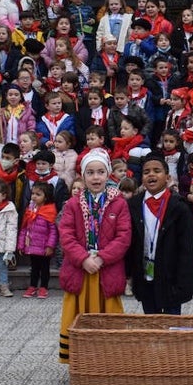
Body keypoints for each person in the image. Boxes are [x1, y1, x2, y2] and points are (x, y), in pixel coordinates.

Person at [57, 149, 132, 364]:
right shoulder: (72, 204)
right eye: (90, 172)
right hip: (80, 269)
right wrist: (83, 258)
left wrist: (101, 258)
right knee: (78, 313)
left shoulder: (119, 203)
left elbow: (123, 237)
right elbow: (67, 235)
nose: (96, 177)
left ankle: (110, 360)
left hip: (106, 269)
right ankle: (80, 360)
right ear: (83, 175)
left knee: (108, 315)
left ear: (108, 174)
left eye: (100, 172)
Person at [127, 153, 193, 315]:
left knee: (171, 325)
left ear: (167, 177)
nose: (151, 174)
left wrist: (184, 280)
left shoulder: (178, 206)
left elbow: (187, 247)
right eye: (146, 172)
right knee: (151, 321)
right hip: (144, 274)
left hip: (170, 276)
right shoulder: (134, 205)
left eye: (157, 171)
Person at [19, 181, 59, 298]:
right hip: (31, 244)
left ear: (46, 197)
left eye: (38, 194)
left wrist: (50, 246)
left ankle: (43, 287)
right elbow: (24, 227)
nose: (34, 197)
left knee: (45, 268)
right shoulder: (30, 209)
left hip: (44, 246)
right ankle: (32, 286)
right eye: (33, 194)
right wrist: (21, 244)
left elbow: (53, 231)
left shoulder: (49, 210)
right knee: (34, 267)